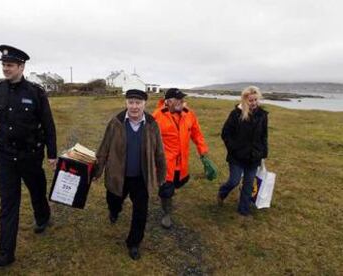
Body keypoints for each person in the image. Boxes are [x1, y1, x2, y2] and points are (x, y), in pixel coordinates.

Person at [0, 45, 57, 267]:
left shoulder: (36, 93)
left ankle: (42, 216)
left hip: (30, 155)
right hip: (5, 156)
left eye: (9, 65)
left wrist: (52, 153)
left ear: (21, 66)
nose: (5, 69)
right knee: (8, 202)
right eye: (3, 65)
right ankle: (6, 252)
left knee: (37, 190)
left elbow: (48, 124)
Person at [93, 89, 166, 260]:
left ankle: (134, 242)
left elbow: (159, 151)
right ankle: (114, 210)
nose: (134, 107)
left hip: (141, 177)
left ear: (144, 104)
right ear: (126, 103)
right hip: (118, 175)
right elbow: (103, 149)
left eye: (138, 103)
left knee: (141, 211)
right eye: (131, 102)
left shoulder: (151, 123)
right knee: (114, 200)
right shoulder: (116, 122)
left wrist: (161, 174)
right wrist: (97, 171)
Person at [152, 88, 217, 229]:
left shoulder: (189, 114)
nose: (182, 101)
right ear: (168, 101)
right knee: (166, 189)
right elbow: (149, 140)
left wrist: (204, 154)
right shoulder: (157, 116)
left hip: (182, 164)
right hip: (165, 163)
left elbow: (197, 135)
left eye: (182, 98)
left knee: (178, 184)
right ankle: (166, 213)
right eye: (178, 99)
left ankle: (168, 197)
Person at [217, 86, 268, 216]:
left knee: (249, 184)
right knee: (234, 181)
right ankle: (222, 192)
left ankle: (243, 210)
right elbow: (225, 133)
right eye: (251, 100)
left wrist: (263, 152)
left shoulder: (262, 115)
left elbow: (264, 135)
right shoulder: (236, 114)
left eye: (256, 99)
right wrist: (234, 148)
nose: (254, 103)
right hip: (237, 156)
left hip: (254, 156)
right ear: (245, 100)